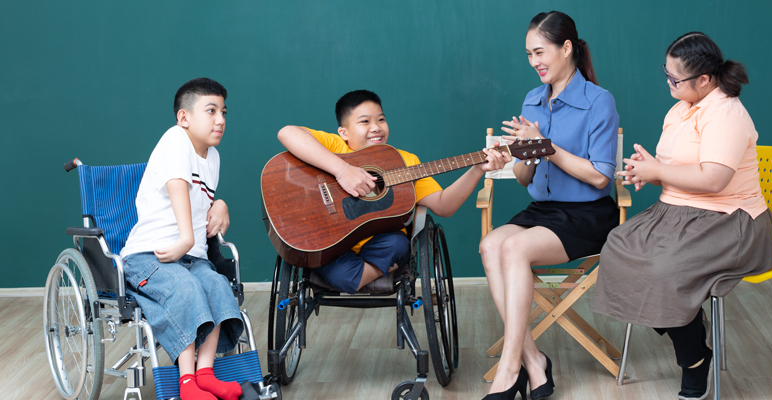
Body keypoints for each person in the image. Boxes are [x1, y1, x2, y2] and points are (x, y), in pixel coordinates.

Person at [593, 32, 772, 399]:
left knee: (665, 271)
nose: (669, 83)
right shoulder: (681, 108)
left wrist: (658, 173)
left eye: (675, 79)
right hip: (676, 213)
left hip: (731, 220)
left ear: (705, 80)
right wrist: (645, 169)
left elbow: (714, 179)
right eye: (667, 74)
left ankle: (695, 360)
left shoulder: (726, 113)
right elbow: (673, 164)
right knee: (618, 246)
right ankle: (688, 321)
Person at [478, 11, 620, 400]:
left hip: (587, 215)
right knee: (491, 244)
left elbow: (599, 177)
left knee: (514, 247)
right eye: (528, 54)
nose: (534, 62)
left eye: (540, 52)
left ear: (566, 48)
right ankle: (534, 360)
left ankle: (510, 369)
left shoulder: (598, 101)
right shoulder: (532, 99)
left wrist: (545, 146)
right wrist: (516, 157)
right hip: (543, 212)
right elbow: (525, 179)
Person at [276, 89, 511, 295]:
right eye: (364, 122)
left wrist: (477, 169)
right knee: (338, 271)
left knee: (398, 243)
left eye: (381, 119)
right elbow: (287, 132)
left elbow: (443, 205)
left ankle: (371, 270)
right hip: (332, 243)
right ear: (344, 132)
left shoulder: (404, 161)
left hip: (381, 244)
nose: (376, 127)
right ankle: (377, 271)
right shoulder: (338, 147)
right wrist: (342, 170)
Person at [120, 78, 244, 400]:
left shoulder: (213, 157)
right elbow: (179, 191)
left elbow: (204, 203)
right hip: (151, 255)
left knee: (216, 285)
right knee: (187, 288)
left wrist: (221, 204)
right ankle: (186, 383)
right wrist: (186, 240)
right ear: (184, 117)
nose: (220, 120)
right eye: (211, 111)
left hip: (190, 257)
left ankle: (205, 374)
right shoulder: (175, 140)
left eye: (224, 112)